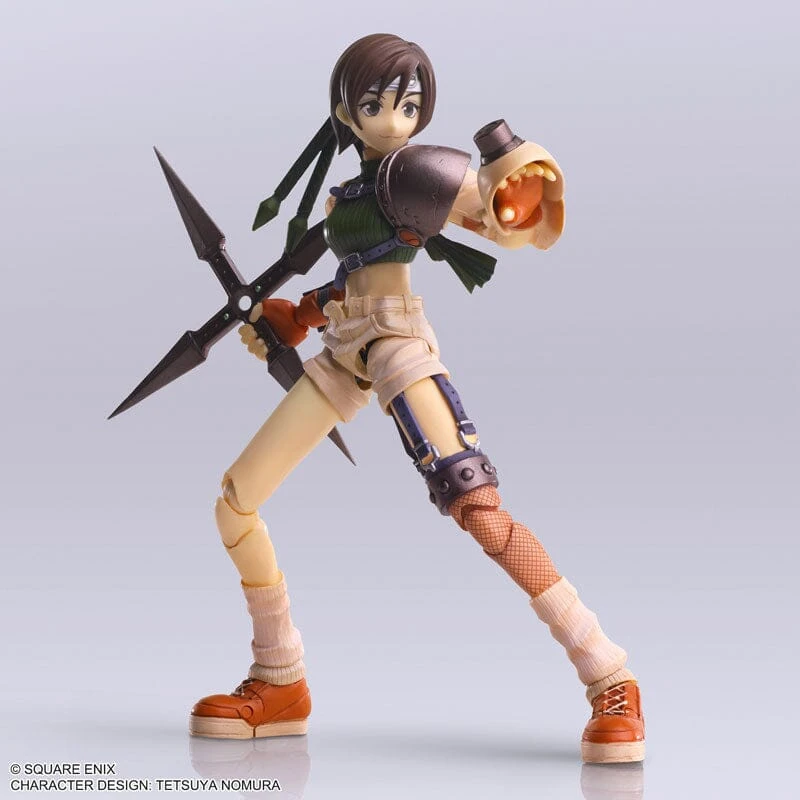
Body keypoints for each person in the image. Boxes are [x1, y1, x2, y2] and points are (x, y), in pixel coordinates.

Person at [189, 33, 645, 764]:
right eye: (376, 104)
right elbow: (357, 272)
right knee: (235, 502)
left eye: (409, 104)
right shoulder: (350, 193)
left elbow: (497, 217)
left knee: (477, 505)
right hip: (345, 347)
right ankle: (279, 680)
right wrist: (300, 314)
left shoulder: (418, 171)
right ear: (346, 110)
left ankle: (609, 675)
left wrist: (514, 189)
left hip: (398, 343)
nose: (396, 119)